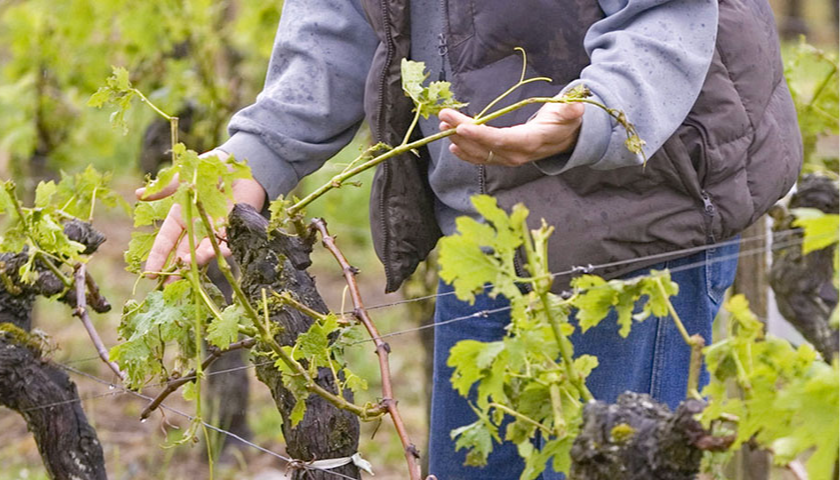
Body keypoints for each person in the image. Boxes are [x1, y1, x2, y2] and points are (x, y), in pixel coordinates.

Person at [137, 0, 802, 477]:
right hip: (481, 223)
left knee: (603, 458)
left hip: (635, 208)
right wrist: (258, 151)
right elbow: (343, 16)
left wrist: (596, 110)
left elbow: (667, 12)